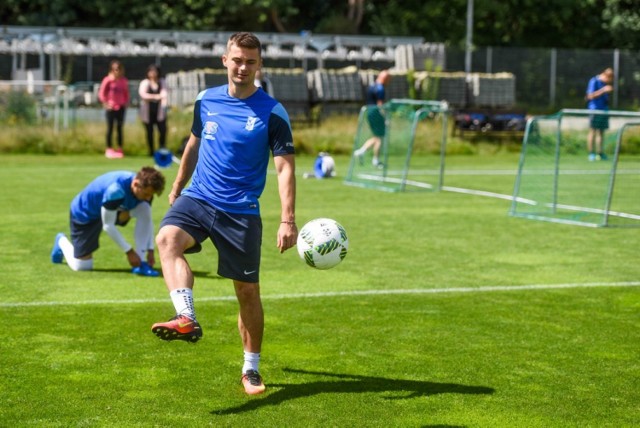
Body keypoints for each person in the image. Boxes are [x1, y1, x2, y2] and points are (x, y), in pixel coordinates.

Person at [150, 32, 297, 396]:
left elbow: (284, 169)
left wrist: (287, 219)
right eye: (237, 59)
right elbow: (194, 142)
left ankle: (251, 369)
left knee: (247, 292)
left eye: (250, 61)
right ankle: (186, 316)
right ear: (225, 60)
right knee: (167, 239)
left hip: (241, 212)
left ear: (259, 65)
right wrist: (178, 185)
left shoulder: (273, 112)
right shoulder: (206, 99)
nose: (243, 67)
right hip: (199, 197)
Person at [50, 167, 166, 276]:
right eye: (146, 194)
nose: (148, 198)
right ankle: (61, 241)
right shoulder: (115, 190)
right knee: (82, 266)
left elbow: (147, 219)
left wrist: (150, 249)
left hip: (114, 209)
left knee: (144, 208)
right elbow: (108, 225)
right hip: (86, 213)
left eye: (150, 195)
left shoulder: (146, 194)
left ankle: (141, 262)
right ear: (136, 184)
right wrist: (129, 252)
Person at [354, 70, 391, 167]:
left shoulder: (371, 86)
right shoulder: (380, 88)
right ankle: (376, 160)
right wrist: (386, 117)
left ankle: (362, 151)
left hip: (369, 112)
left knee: (376, 136)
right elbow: (380, 105)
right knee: (380, 138)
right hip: (376, 113)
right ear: (385, 78)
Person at [98, 60, 130, 159]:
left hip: (120, 107)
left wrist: (125, 103)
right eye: (115, 69)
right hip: (111, 108)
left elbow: (126, 94)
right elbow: (101, 93)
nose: (117, 71)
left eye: (119, 69)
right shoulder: (107, 80)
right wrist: (106, 104)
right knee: (110, 128)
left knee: (119, 129)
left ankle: (120, 148)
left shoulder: (123, 81)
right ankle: (109, 148)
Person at [138, 64, 169, 157]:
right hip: (148, 112)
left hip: (159, 111)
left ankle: (161, 150)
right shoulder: (145, 83)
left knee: (163, 130)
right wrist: (156, 96)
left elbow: (164, 94)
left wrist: (155, 98)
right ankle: (151, 151)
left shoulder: (162, 82)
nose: (153, 73)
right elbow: (143, 95)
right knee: (149, 132)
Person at [585, 67, 614, 161]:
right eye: (609, 79)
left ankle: (600, 153)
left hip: (603, 110)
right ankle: (591, 153)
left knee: (601, 133)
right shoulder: (594, 81)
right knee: (592, 131)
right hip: (594, 110)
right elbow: (589, 96)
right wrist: (603, 90)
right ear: (605, 75)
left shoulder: (604, 83)